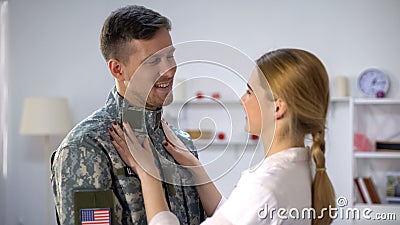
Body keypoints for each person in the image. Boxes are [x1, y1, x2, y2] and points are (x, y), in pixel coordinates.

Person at [110, 48, 337, 225]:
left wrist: (149, 174)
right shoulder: (303, 167)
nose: (242, 99)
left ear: (278, 108)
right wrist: (196, 169)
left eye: (250, 91)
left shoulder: (265, 186)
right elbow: (242, 217)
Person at [51, 5, 205, 225]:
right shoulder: (87, 147)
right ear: (117, 69)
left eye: (169, 56)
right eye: (152, 61)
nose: (169, 71)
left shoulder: (182, 143)